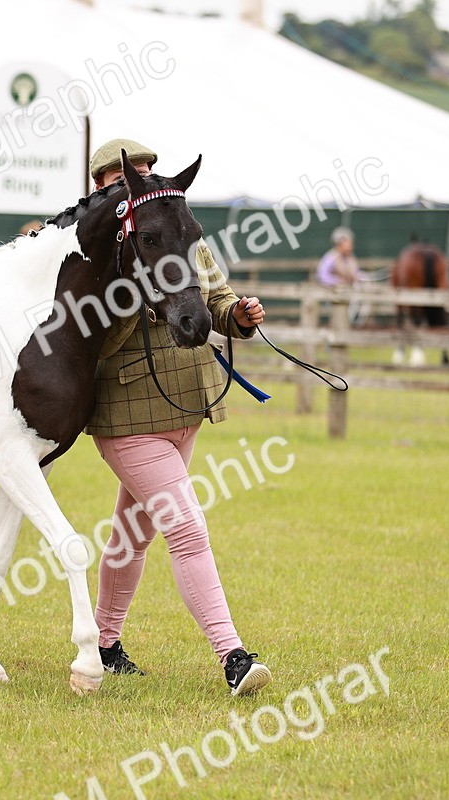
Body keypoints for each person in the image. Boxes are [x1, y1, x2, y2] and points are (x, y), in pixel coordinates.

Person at [86, 138, 271, 696]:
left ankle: (103, 645)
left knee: (131, 536)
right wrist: (141, 300)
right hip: (127, 413)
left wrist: (237, 316)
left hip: (185, 402)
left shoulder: (182, 229)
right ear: (102, 186)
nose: (139, 179)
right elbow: (86, 336)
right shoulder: (94, 249)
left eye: (145, 170)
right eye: (125, 174)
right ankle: (233, 656)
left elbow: (214, 298)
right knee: (186, 529)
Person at [317, 227, 371, 325]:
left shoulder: (350, 258)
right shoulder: (331, 257)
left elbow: (355, 273)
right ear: (340, 244)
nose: (351, 246)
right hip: (333, 293)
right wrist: (337, 281)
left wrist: (359, 277)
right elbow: (322, 275)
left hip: (349, 292)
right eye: (348, 243)